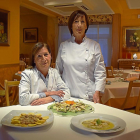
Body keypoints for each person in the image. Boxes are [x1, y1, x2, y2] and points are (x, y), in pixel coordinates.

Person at [56, 10, 106, 103]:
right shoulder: (63, 46)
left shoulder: (94, 45)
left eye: (82, 22)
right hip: (67, 96)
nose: (79, 25)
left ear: (86, 26)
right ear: (71, 25)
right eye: (76, 21)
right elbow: (58, 71)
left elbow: (100, 72)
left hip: (89, 97)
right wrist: (58, 91)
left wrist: (97, 92)